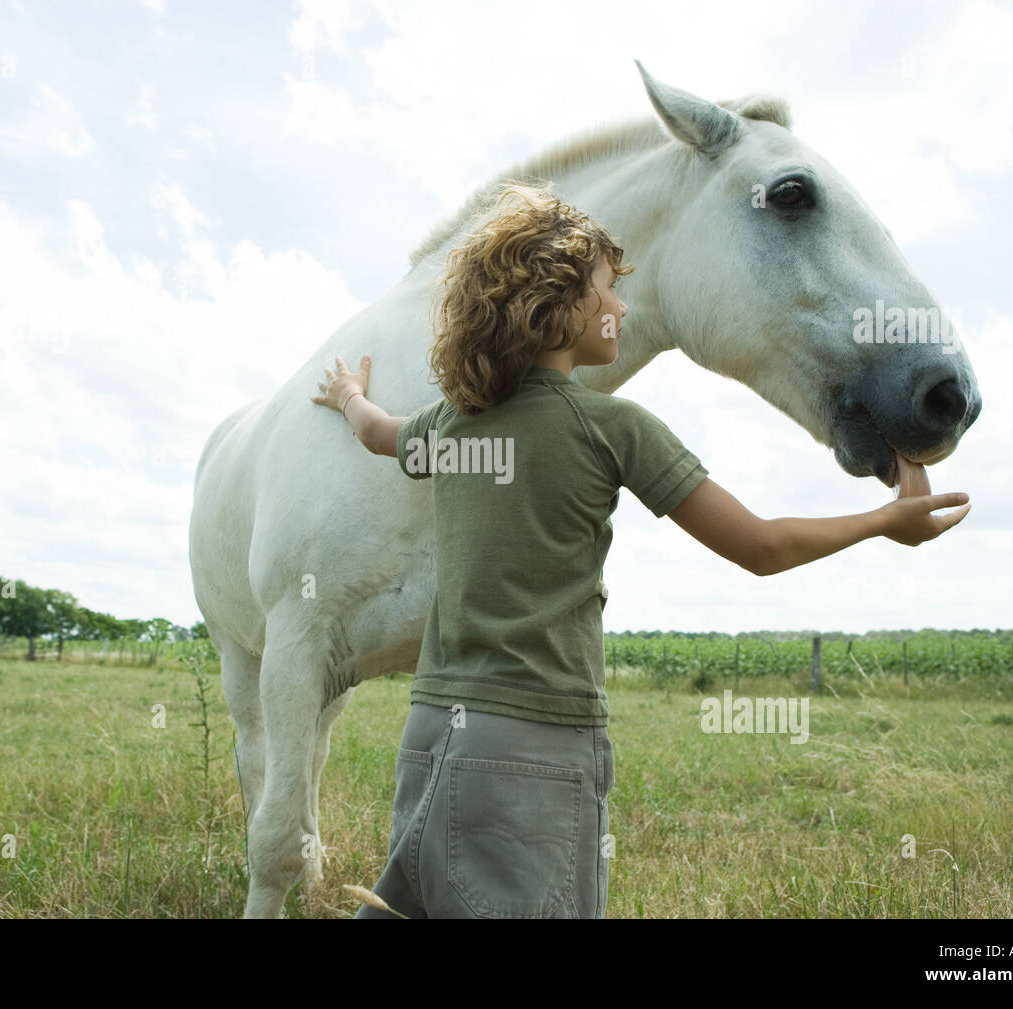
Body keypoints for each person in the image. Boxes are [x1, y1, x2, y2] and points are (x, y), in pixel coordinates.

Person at [309, 183, 971, 918]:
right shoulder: (612, 428)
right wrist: (885, 520)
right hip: (537, 745)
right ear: (555, 308)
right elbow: (760, 545)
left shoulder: (455, 424)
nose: (620, 307)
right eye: (604, 291)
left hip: (434, 732)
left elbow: (377, 432)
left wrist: (346, 395)